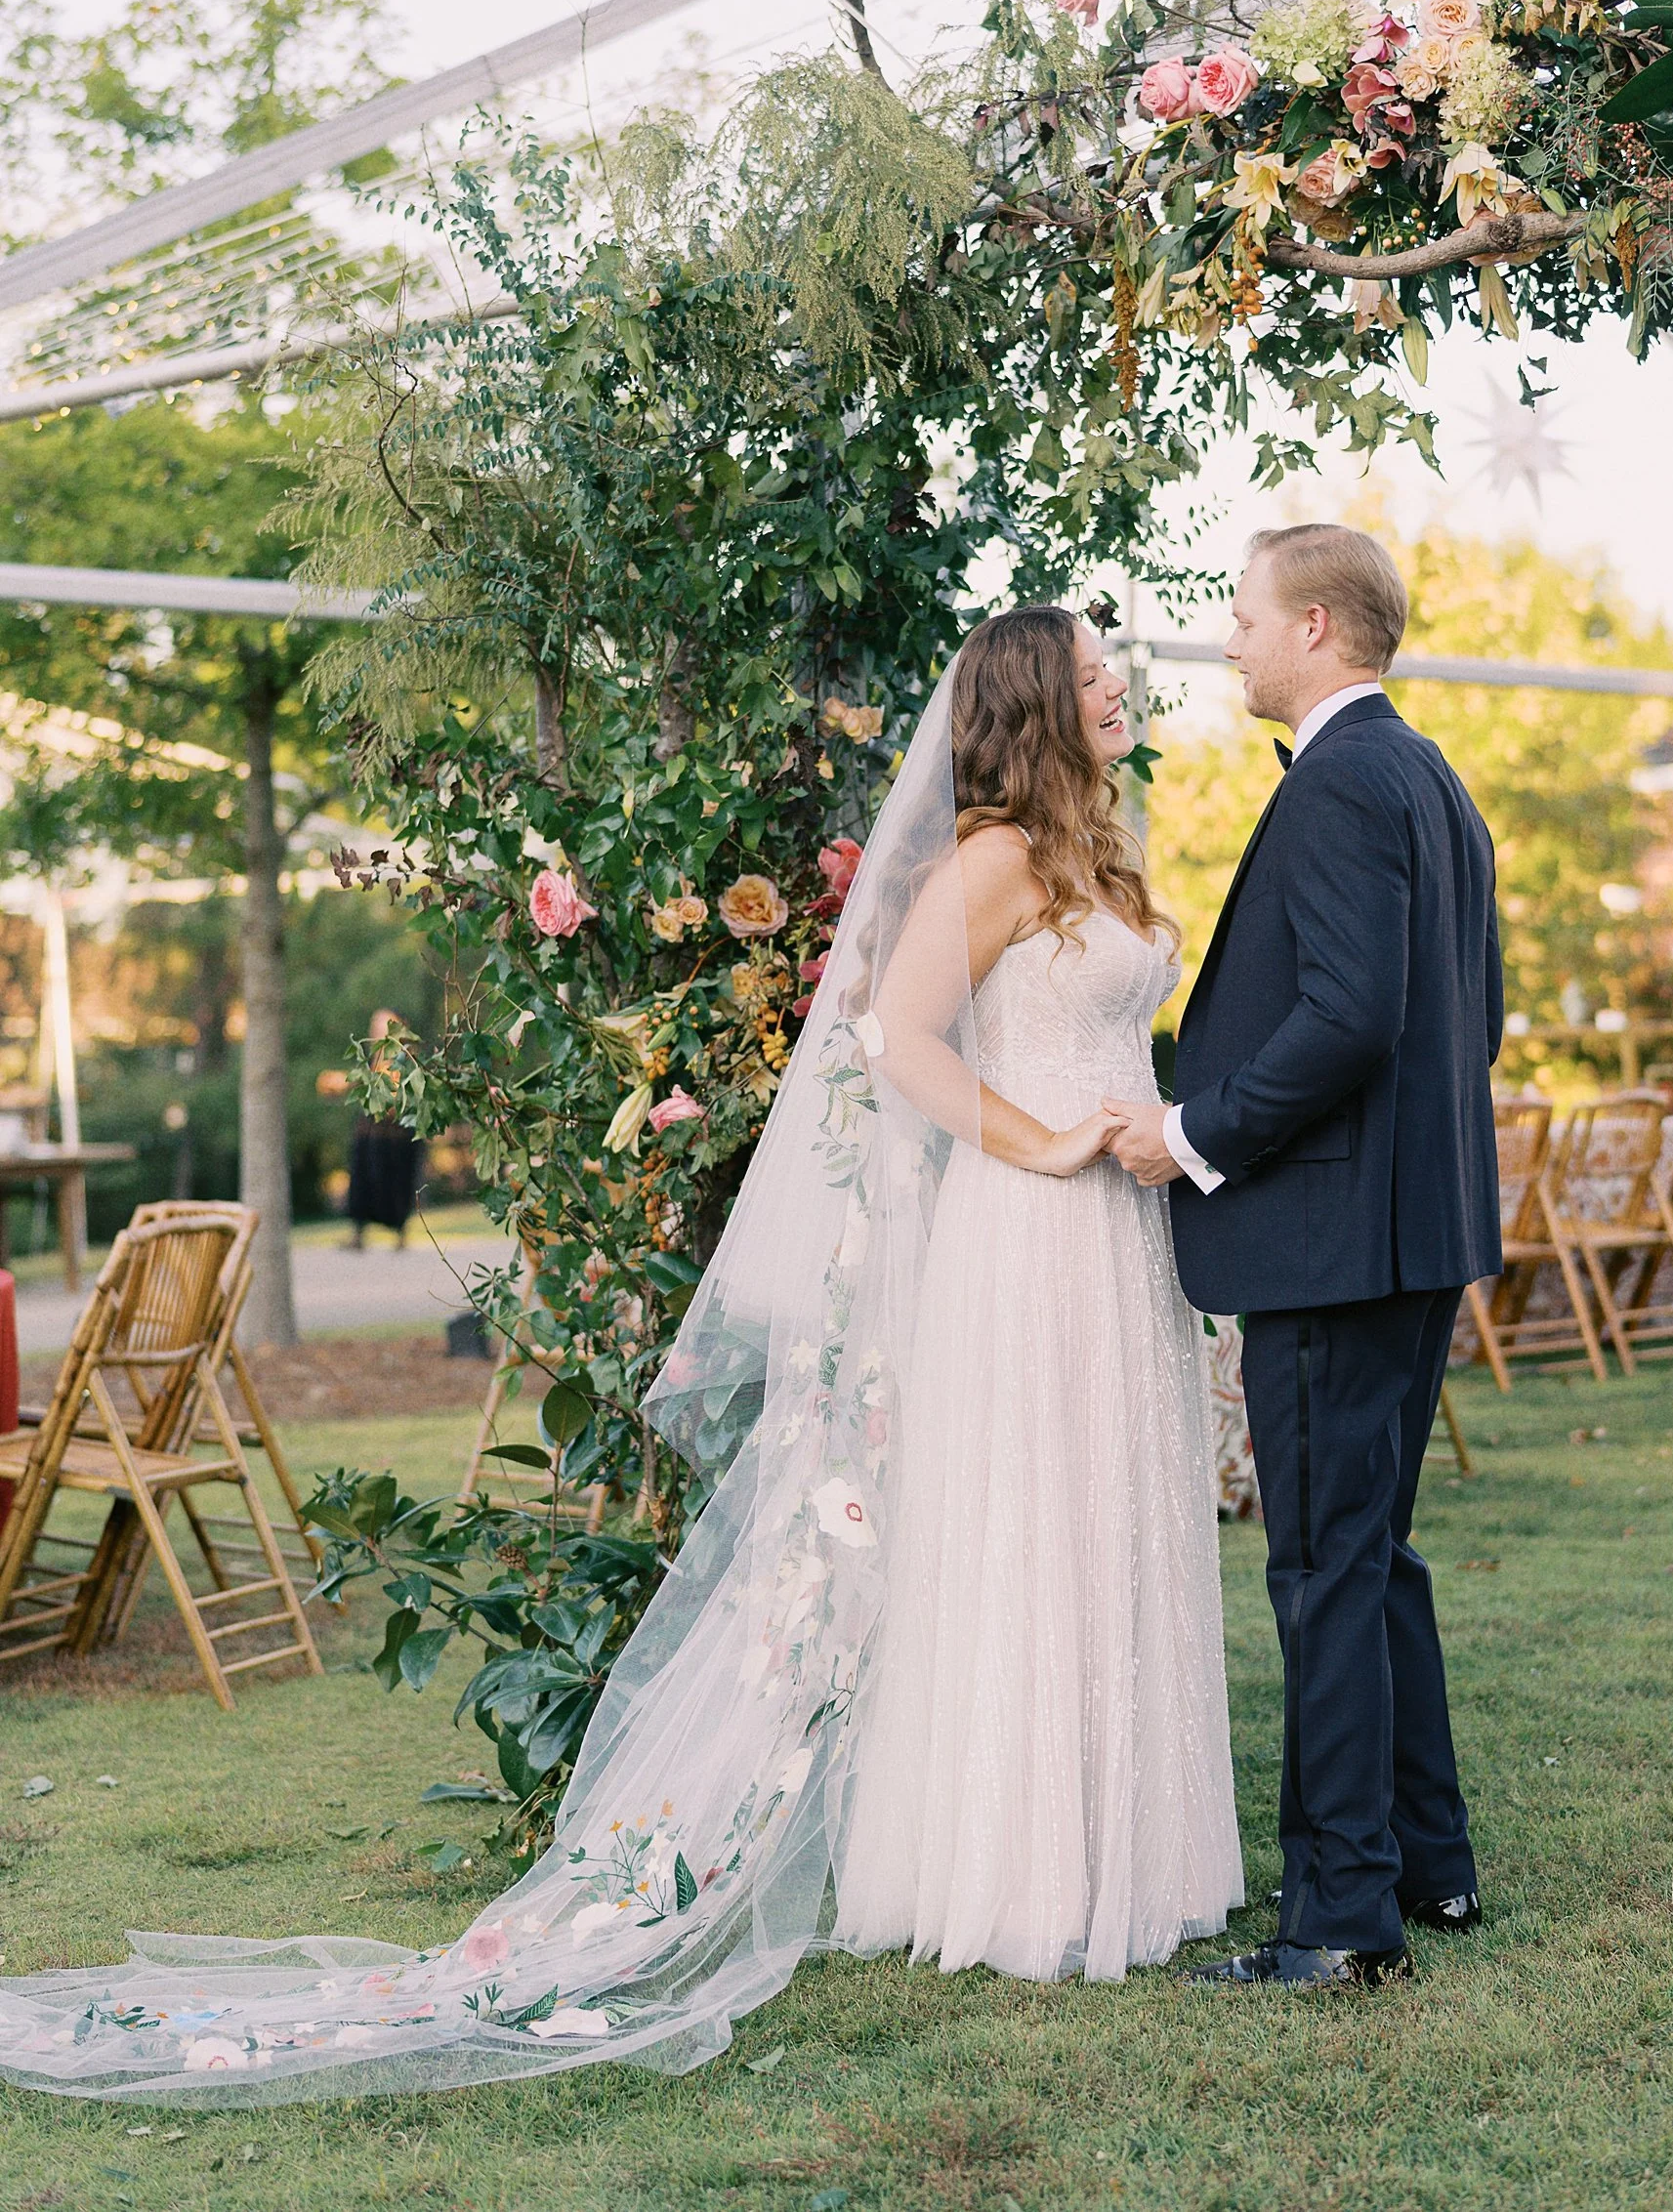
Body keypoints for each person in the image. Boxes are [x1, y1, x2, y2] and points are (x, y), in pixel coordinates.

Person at [0, 606, 1239, 2101]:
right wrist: (1042, 1140)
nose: (1124, 689)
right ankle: (1025, 1874)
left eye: (1120, 671)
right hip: (1031, 1230)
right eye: (1097, 676)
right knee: (1028, 1537)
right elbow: (896, 1041)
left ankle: (1129, 1849)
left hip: (1118, 1236)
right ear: (1039, 702)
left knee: (1106, 1528)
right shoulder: (992, 858)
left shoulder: (1101, 850)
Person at [1105, 523, 1503, 1992]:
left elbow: (1350, 1018)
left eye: (1247, 614)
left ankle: (1341, 1915)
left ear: (1319, 627)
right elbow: (1472, 1013)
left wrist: (1195, 1130)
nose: (1231, 639)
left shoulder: (1343, 781)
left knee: (1327, 1566)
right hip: (1405, 1232)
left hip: (1337, 1244)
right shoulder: (1429, 775)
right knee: (1374, 1555)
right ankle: (1431, 1864)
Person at [346, 1010, 420, 1249]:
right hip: (370, 1133)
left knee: (396, 1183)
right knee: (362, 1180)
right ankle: (358, 1234)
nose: (374, 1032)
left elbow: (396, 1098)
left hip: (395, 1136)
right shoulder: (372, 1058)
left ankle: (400, 1234)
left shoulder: (403, 1057)